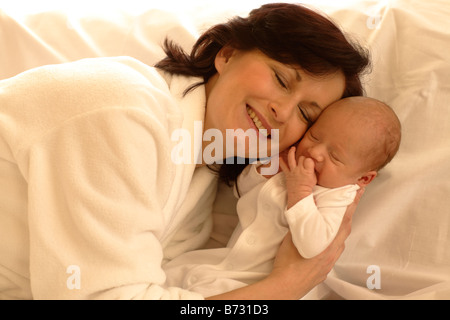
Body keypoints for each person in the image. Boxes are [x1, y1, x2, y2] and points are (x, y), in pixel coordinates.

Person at [0, 3, 369, 299]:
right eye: (281, 79)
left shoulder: (203, 170)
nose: (284, 112)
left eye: (307, 114)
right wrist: (286, 286)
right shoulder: (121, 110)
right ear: (227, 55)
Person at [163, 96, 401, 297]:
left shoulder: (338, 196)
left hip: (260, 283)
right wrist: (265, 171)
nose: (315, 152)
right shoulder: (292, 167)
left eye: (335, 156)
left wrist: (301, 193)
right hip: (226, 262)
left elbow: (312, 246)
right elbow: (242, 193)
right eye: (315, 137)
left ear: (364, 179)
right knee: (170, 273)